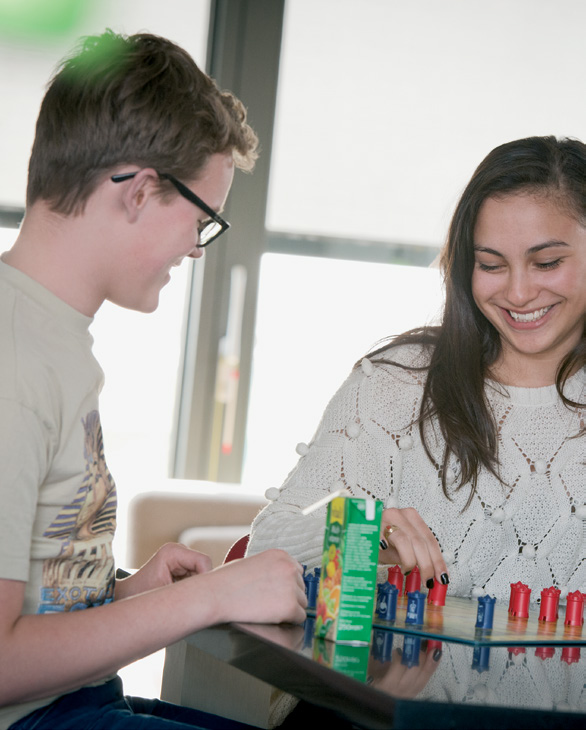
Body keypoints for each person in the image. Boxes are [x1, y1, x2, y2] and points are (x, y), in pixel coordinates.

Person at [0, 30, 307, 730]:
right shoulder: (14, 365)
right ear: (140, 191)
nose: (195, 250)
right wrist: (210, 599)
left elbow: (31, 586)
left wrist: (126, 591)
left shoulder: (48, 338)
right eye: (202, 219)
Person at [247, 135, 586, 604]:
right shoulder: (396, 384)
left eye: (546, 262)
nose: (519, 292)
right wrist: (362, 526)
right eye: (491, 264)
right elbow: (267, 544)